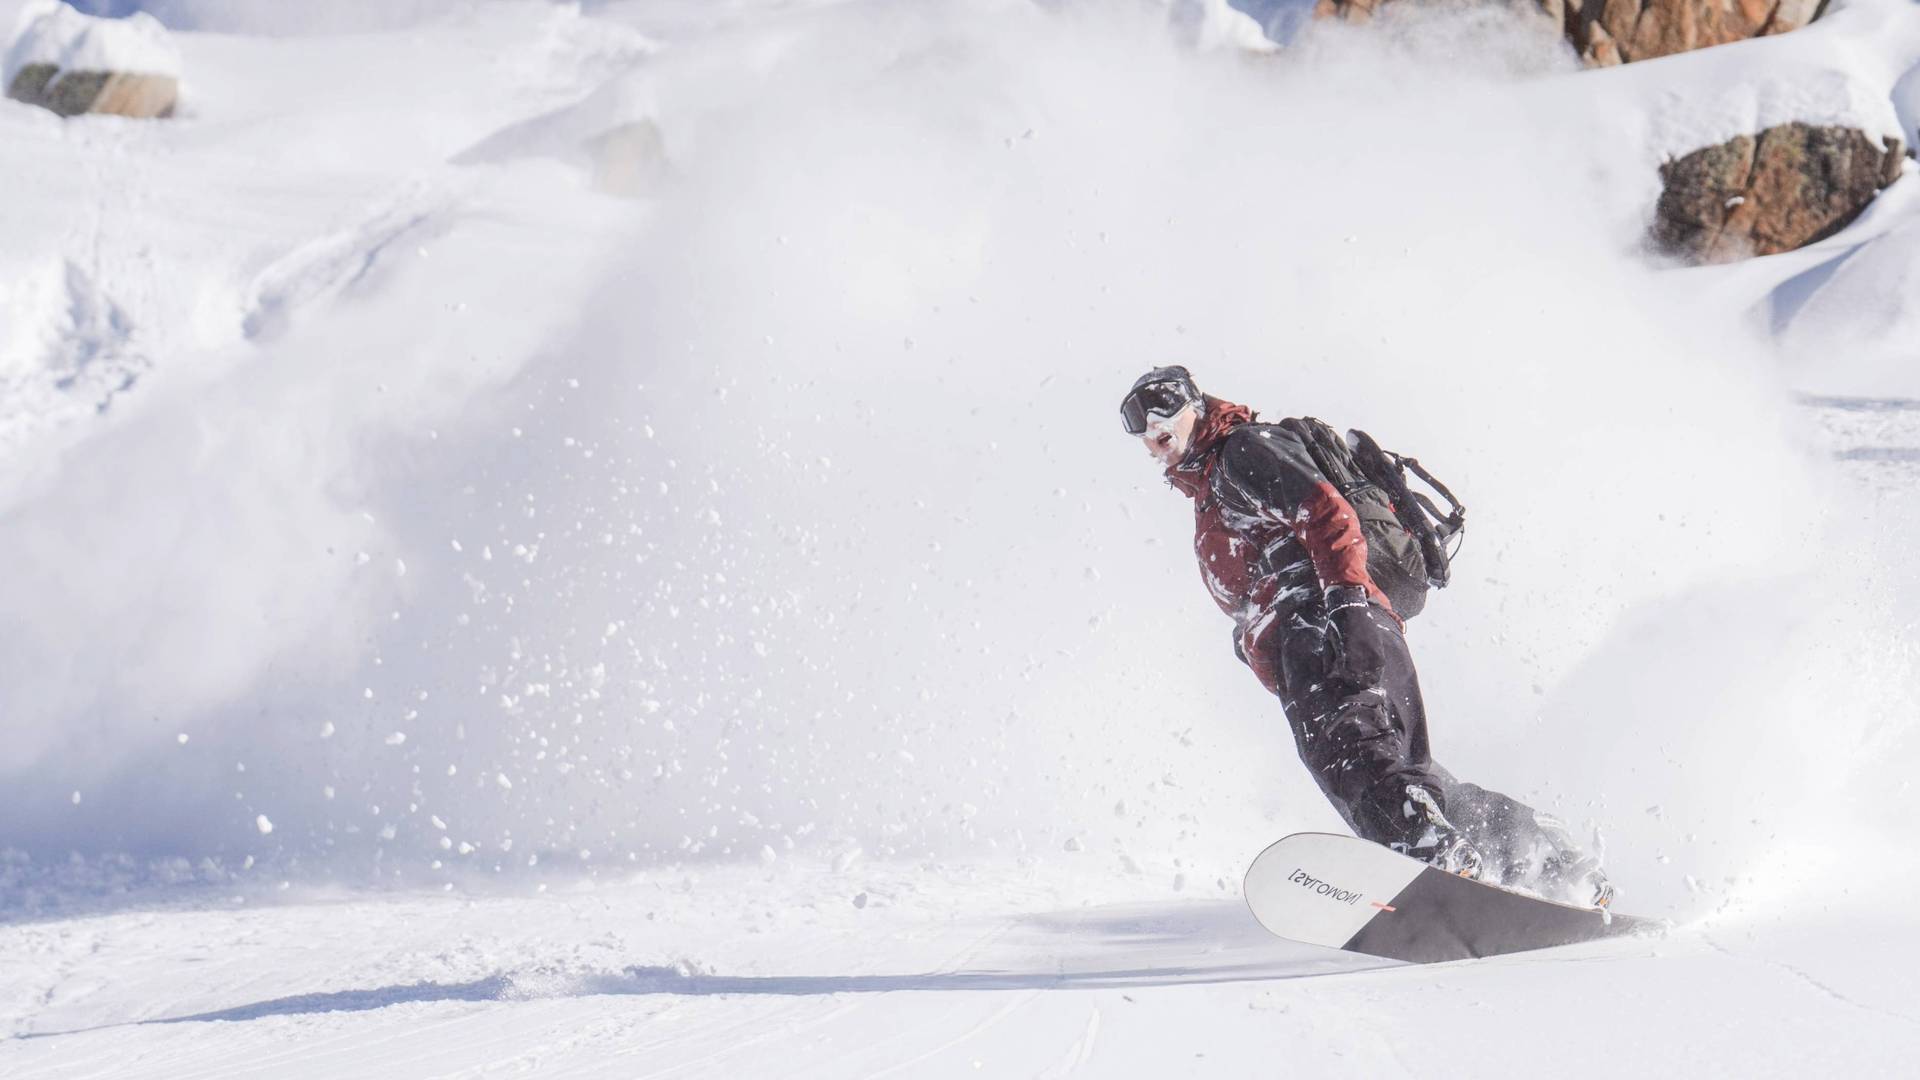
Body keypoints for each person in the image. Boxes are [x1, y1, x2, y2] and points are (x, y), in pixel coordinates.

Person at [1121, 365, 1610, 907]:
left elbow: (1325, 512)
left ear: (1197, 404)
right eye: (1138, 425)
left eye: (1163, 407)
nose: (1151, 428)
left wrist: (1345, 604)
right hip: (1349, 621)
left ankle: (1428, 852)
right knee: (1412, 773)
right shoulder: (1212, 487)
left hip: (1320, 620)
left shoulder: (1240, 454)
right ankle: (1547, 859)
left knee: (1349, 756)